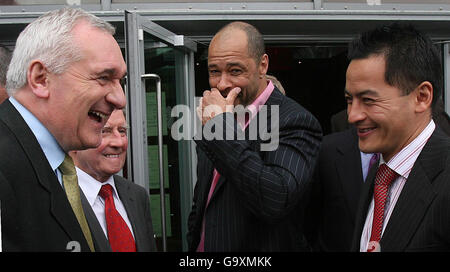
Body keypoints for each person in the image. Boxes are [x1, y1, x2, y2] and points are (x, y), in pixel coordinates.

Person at [187, 21, 322, 251]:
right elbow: (204, 198)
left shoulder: (295, 121)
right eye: (214, 71)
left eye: (235, 71)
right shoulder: (217, 117)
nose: (222, 84)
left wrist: (220, 129)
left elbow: (275, 199)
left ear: (262, 65)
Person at [0, 8, 126, 251]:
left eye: (120, 80)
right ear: (40, 79)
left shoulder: (53, 163)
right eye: (103, 78)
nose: (119, 99)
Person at [346, 23, 450, 252]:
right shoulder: (380, 173)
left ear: (422, 97)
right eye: (349, 100)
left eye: (369, 100)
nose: (353, 115)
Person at [69, 109, 157, 252]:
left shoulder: (137, 195)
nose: (119, 142)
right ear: (74, 140)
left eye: (122, 131)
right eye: (104, 131)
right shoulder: (55, 198)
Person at [304, 127, 379, 251]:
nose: (353, 115)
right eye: (350, 106)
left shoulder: (414, 150)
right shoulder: (326, 150)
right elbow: (308, 220)